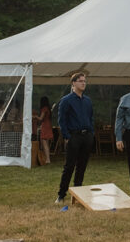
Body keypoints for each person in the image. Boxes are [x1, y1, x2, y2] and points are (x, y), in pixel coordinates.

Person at [55, 72, 94, 204]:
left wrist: (91, 133)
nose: (83, 83)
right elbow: (61, 120)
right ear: (73, 83)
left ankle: (78, 194)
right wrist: (67, 136)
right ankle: (61, 194)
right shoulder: (66, 100)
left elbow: (91, 117)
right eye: (81, 81)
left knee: (82, 166)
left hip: (86, 136)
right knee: (69, 166)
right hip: (74, 136)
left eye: (84, 81)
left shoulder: (88, 100)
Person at [37, 96, 53, 164]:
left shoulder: (44, 108)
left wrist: (35, 116)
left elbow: (41, 118)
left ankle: (48, 159)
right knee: (46, 142)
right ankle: (47, 158)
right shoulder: (48, 108)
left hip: (45, 125)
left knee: (44, 142)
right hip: (48, 124)